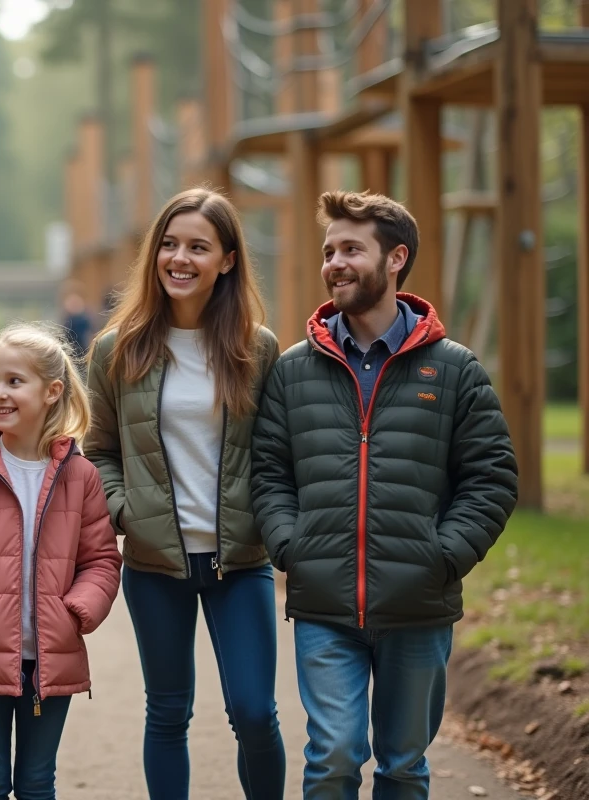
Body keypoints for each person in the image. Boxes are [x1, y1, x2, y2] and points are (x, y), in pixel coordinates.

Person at [251, 190, 519, 799]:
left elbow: (493, 475)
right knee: (335, 757)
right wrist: (293, 547)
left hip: (418, 604)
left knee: (402, 765)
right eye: (328, 251)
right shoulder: (293, 371)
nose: (335, 263)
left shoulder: (453, 370)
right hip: (325, 604)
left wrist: (442, 556)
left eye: (351, 249)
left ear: (396, 258)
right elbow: (267, 470)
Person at [84, 186, 286, 799]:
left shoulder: (258, 348)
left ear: (227, 259)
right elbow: (99, 452)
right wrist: (128, 512)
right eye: (169, 245)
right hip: (155, 564)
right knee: (168, 713)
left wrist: (267, 521)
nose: (179, 258)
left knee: (254, 712)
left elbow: (275, 455)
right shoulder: (118, 349)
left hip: (241, 562)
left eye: (198, 247)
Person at [0, 322, 123, 800]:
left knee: (37, 782)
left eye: (15, 381)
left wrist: (79, 610)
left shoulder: (82, 475)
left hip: (52, 657)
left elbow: (101, 560)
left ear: (53, 391)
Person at [59, 284, 95, 365]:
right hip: (70, 349)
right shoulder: (68, 317)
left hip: (82, 349)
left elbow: (89, 332)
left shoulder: (84, 316)